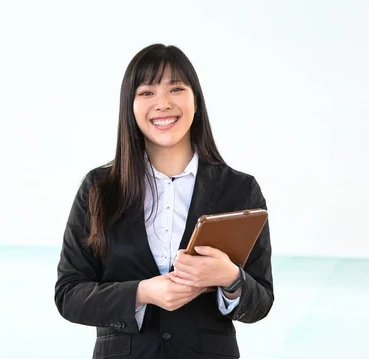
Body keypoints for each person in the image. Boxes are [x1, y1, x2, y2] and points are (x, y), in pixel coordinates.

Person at [54, 44, 274, 359]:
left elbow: (261, 301)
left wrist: (229, 278)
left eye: (176, 89)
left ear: (196, 101)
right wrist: (142, 293)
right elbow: (69, 294)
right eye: (146, 93)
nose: (163, 103)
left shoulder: (239, 190)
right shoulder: (99, 189)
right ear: (129, 106)